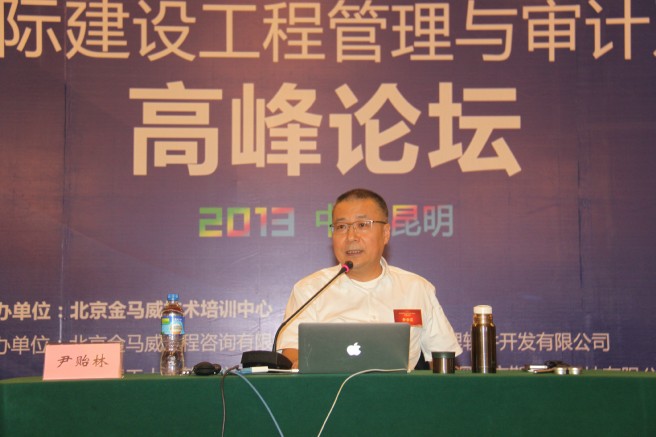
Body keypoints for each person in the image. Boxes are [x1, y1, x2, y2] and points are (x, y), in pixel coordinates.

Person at [277, 188, 462, 370]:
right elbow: (292, 352)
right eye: (341, 227)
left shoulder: (417, 288)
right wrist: (300, 364)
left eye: (362, 225)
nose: (351, 237)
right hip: (330, 389)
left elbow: (444, 358)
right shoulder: (310, 290)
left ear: (386, 233)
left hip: (400, 389)